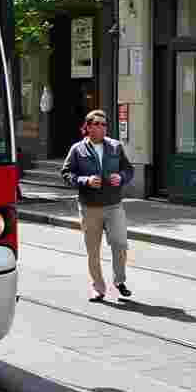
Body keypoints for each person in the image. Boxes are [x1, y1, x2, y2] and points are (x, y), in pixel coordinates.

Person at [60, 109, 137, 302]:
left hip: (114, 205)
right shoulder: (78, 149)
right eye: (97, 124)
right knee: (93, 250)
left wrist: (121, 177)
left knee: (120, 244)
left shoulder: (115, 147)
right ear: (88, 127)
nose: (102, 127)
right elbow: (66, 174)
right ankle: (98, 287)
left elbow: (128, 170)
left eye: (104, 124)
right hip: (90, 208)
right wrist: (85, 180)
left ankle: (119, 281)